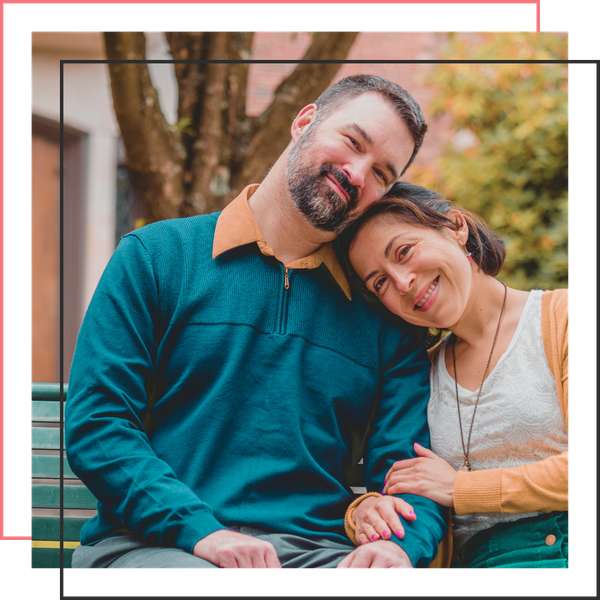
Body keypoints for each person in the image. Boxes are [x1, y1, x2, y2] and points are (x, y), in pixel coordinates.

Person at [65, 74, 448, 571]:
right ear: (304, 121)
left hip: (317, 555)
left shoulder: (385, 315)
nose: (357, 173)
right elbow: (99, 425)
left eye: (381, 174)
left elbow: (409, 469)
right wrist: (203, 533)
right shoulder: (155, 258)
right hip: (156, 546)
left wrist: (399, 545)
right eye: (353, 142)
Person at [339, 181, 570, 570]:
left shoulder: (560, 319)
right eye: (379, 282)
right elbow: (402, 485)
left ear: (455, 225)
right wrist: (366, 510)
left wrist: (462, 489)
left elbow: (446, 486)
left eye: (404, 251)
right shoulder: (415, 377)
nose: (402, 282)